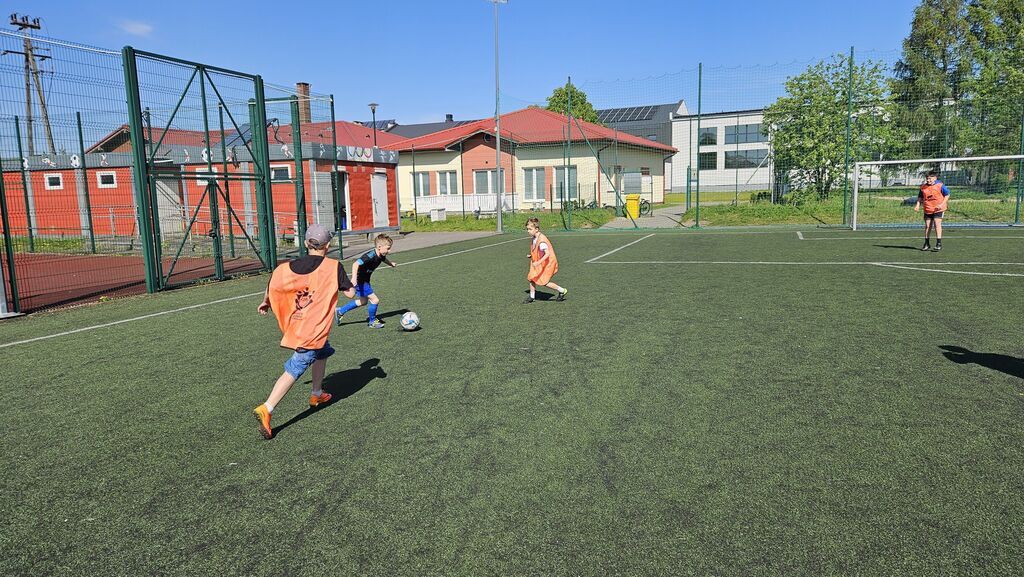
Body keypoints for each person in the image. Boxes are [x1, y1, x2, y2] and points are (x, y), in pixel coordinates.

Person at [253, 223, 355, 440]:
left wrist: (265, 302)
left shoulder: (285, 267)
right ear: (328, 245)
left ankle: (317, 394)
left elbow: (273, 284)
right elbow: (349, 295)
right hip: (312, 330)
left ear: (307, 243)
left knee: (322, 351)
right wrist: (354, 282)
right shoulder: (333, 267)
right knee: (297, 365)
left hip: (300, 324)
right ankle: (267, 408)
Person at [335, 233, 397, 328]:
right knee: (375, 300)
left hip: (365, 280)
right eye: (388, 248)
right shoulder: (370, 255)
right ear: (379, 247)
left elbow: (384, 259)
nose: (389, 250)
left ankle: (340, 311)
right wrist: (354, 278)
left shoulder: (381, 254)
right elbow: (355, 264)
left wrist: (391, 264)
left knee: (363, 301)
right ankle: (372, 321)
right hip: (360, 281)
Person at [524, 217, 567, 303]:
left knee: (544, 282)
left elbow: (547, 254)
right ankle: (532, 297)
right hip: (538, 262)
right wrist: (531, 255)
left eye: (530, 229)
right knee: (532, 278)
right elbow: (537, 251)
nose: (528, 231)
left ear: (536, 229)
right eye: (527, 229)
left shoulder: (542, 240)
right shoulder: (534, 237)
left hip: (547, 263)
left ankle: (562, 290)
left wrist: (538, 262)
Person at [914, 170, 950, 251]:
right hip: (928, 209)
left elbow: (947, 195)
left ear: (935, 178)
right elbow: (920, 197)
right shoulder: (923, 187)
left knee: (937, 224)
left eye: (930, 178)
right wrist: (917, 205)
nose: (928, 180)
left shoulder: (940, 185)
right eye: (927, 178)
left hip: (938, 209)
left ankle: (938, 243)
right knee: (927, 226)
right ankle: (926, 243)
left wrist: (941, 204)